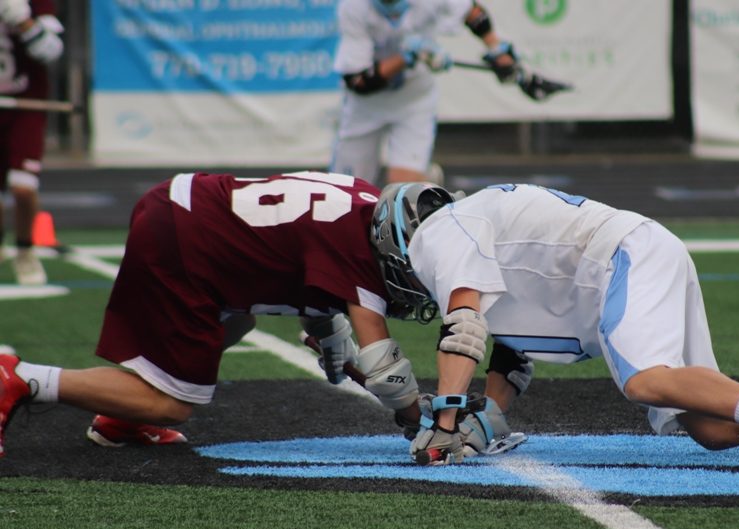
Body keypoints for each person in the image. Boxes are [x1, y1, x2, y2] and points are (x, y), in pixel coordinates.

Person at [368, 182, 739, 471]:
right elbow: (509, 352)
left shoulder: (437, 233)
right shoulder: (474, 230)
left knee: (642, 378)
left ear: (400, 236)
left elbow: (464, 326)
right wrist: (486, 422)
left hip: (621, 257)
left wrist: (444, 424)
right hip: (629, 259)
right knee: (711, 429)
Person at [0, 171, 426, 456]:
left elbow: (307, 264)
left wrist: (332, 339)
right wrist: (425, 421)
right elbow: (385, 371)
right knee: (172, 404)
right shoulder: (362, 259)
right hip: (188, 242)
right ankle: (20, 378)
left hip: (182, 207)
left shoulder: (364, 200)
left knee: (238, 319)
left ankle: (122, 419)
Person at [330, 0, 520, 186]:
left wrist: (497, 51)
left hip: (413, 103)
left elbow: (471, 11)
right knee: (347, 191)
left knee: (400, 193)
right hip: (365, 107)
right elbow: (359, 81)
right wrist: (408, 57)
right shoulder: (353, 7)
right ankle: (425, 181)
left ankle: (421, 181)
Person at [0, 0, 64, 285]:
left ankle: (25, 251)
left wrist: (23, 21)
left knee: (23, 187)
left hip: (25, 105)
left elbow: (51, 52)